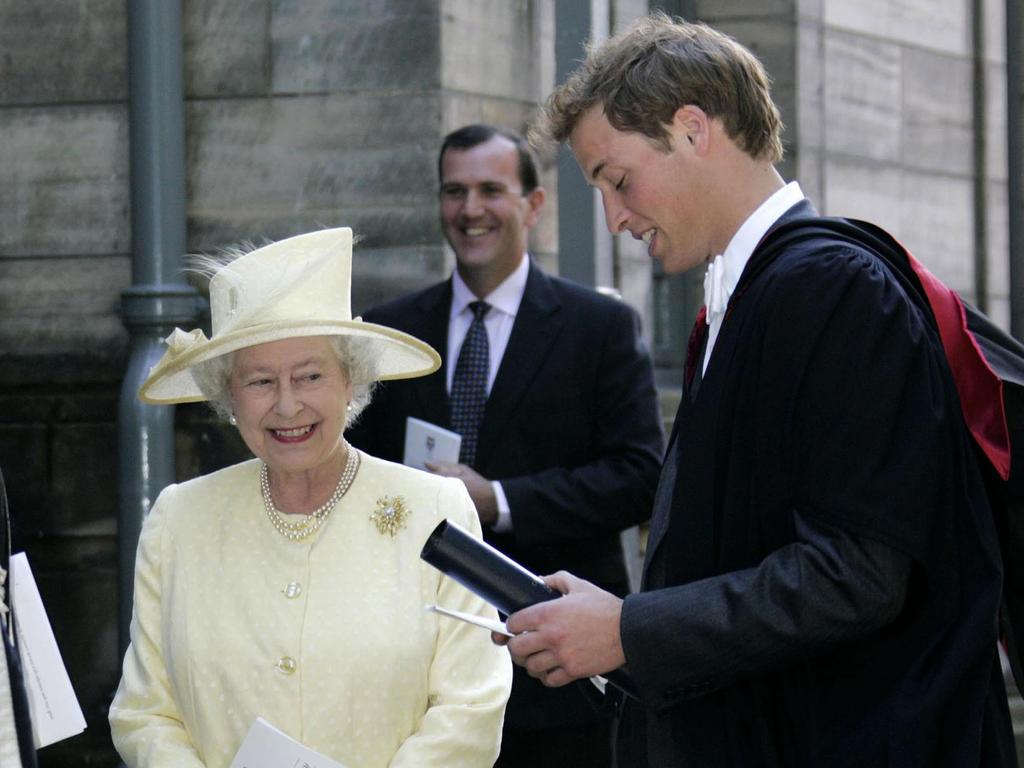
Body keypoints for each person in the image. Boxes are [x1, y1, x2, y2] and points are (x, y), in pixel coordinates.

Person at [499, 13, 1018, 767]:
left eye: (617, 179)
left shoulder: (832, 288)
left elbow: (859, 574)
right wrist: (618, 617)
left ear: (693, 128)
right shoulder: (760, 293)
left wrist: (629, 629)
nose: (613, 218)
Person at [108, 228, 511, 768]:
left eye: (311, 375)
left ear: (351, 380)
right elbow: (144, 713)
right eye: (260, 382)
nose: (288, 405)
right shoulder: (180, 518)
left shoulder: (436, 509)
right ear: (229, 395)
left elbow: (471, 706)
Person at [346, 124, 664, 767]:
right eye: (453, 191)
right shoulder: (389, 334)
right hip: (419, 674)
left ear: (534, 205)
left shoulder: (598, 326)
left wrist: (498, 501)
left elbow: (638, 476)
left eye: (491, 189)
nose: (470, 210)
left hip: (554, 676)